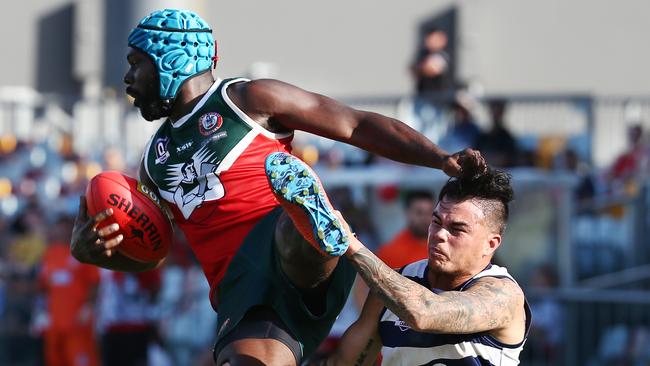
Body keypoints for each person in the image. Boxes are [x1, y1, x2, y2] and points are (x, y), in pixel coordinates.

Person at [70, 9, 486, 365]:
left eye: (134, 63)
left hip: (281, 238)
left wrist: (437, 158)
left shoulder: (246, 98)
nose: (127, 78)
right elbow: (153, 254)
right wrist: (96, 254)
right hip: (242, 292)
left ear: (169, 57)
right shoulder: (151, 162)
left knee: (290, 232)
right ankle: (311, 222)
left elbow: (354, 124)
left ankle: (312, 221)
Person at [324, 168, 531, 365]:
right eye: (436, 222)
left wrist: (350, 245)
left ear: (490, 244)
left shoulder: (504, 295)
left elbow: (423, 313)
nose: (440, 234)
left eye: (457, 229)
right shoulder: (393, 286)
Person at [38, 216, 100, 366]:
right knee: (55, 360)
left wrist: (87, 307)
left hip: (77, 322)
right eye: (60, 227)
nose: (63, 232)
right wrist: (40, 311)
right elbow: (43, 285)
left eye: (67, 228)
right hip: (55, 321)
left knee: (80, 359)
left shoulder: (82, 252)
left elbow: (94, 282)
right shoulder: (50, 253)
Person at [376, 189, 435, 269]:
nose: (425, 218)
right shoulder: (391, 252)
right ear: (407, 213)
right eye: (419, 213)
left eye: (429, 213)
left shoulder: (442, 246)